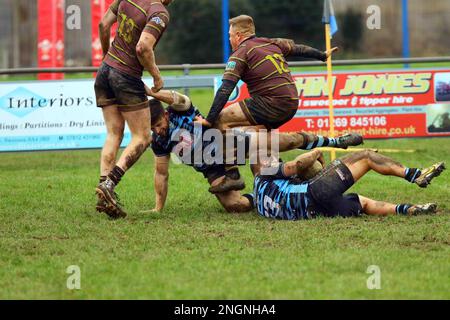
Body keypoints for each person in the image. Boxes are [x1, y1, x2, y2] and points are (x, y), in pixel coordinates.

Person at [146, 89, 363, 212]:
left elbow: (177, 97)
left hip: (230, 144)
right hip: (212, 170)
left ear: (165, 115)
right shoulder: (158, 141)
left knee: (286, 141)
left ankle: (336, 140)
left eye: (158, 124)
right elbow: (161, 174)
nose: (158, 130)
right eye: (153, 128)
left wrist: (152, 91)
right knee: (234, 206)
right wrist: (158, 208)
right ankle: (275, 193)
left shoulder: (179, 111)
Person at [195, 14, 338, 190]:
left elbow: (225, 89)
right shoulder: (271, 43)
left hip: (271, 102)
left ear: (238, 35)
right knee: (261, 141)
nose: (230, 39)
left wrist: (208, 119)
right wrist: (322, 55)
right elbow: (298, 49)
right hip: (291, 102)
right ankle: (281, 182)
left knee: (220, 119)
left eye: (231, 36)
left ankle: (232, 174)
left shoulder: (241, 52)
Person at [94, 0, 173, 219]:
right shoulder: (159, 12)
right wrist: (156, 75)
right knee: (142, 137)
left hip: (105, 71)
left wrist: (106, 56)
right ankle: (109, 185)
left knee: (114, 132)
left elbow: (103, 25)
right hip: (126, 76)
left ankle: (103, 191)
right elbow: (142, 47)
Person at [248, 149, 445, 220]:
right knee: (366, 157)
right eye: (272, 157)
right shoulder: (266, 172)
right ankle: (417, 175)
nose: (276, 160)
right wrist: (316, 151)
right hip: (313, 193)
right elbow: (298, 164)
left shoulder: (257, 196)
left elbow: (241, 203)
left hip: (314, 213)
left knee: (364, 203)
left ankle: (410, 210)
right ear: (261, 165)